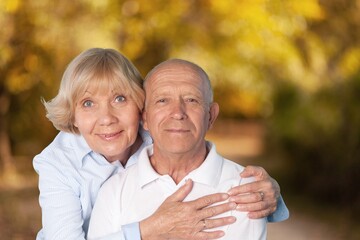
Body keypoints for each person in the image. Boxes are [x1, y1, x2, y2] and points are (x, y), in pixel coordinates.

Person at [33, 48, 288, 240]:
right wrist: (150, 229)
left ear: (140, 109)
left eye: (120, 98)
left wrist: (270, 194)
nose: (107, 118)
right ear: (73, 116)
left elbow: (188, 127)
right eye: (88, 104)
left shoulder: (155, 134)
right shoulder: (57, 163)